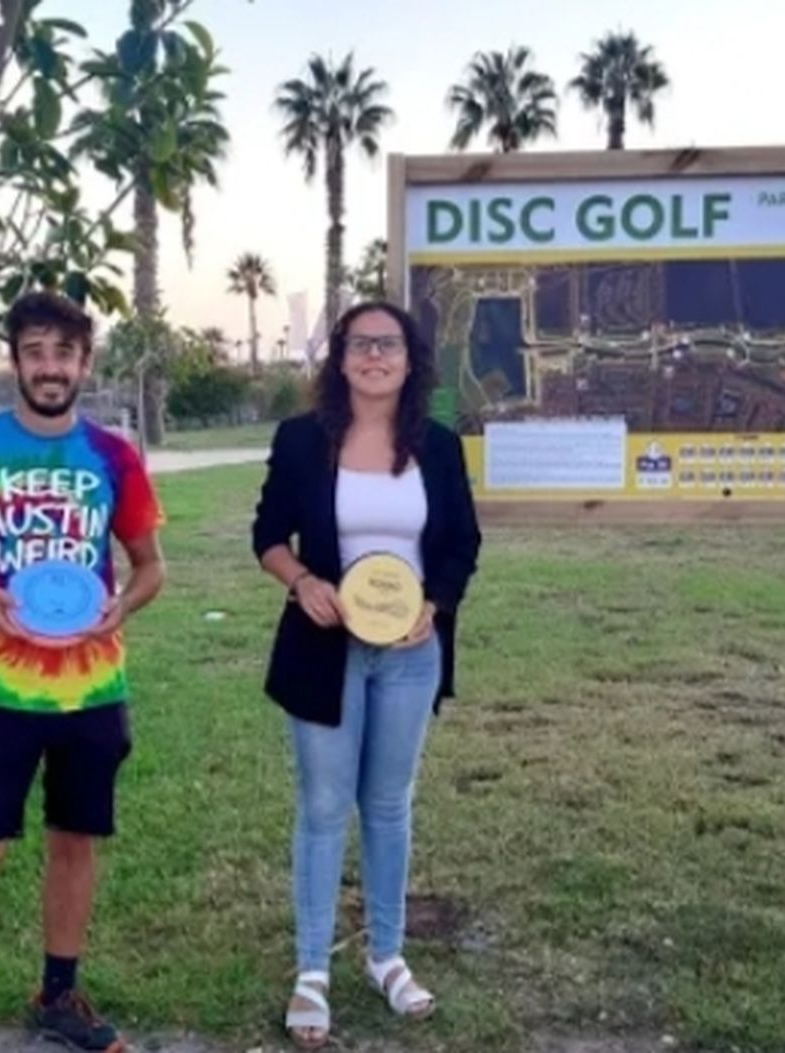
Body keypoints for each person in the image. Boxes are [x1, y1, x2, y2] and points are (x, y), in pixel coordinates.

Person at [0, 291, 165, 1053]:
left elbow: (150, 566)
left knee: (74, 842)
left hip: (92, 687)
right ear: (15, 359)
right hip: (0, 690)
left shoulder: (113, 456)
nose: (50, 367)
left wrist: (123, 607)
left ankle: (59, 995)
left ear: (85, 362)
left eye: (65, 352)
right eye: (36, 351)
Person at [251, 301, 481, 1049]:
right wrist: (301, 582)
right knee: (324, 806)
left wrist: (436, 604)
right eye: (360, 344)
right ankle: (311, 969)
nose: (374, 356)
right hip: (323, 648)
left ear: (410, 360)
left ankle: (386, 954)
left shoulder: (440, 448)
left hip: (412, 650)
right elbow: (267, 535)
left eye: (389, 345)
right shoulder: (299, 440)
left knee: (388, 804)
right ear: (340, 358)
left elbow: (462, 545)